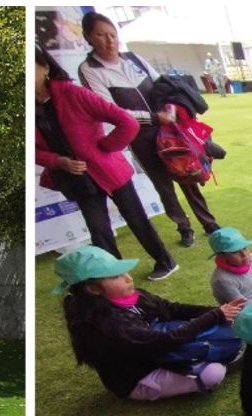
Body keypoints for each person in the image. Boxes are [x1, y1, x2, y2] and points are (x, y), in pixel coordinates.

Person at [35, 45, 178, 281]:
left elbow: (127, 122)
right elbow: (33, 150)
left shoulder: (72, 93)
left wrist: (104, 149)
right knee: (98, 230)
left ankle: (166, 261)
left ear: (45, 67)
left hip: (108, 170)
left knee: (136, 219)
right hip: (75, 177)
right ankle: (113, 277)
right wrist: (58, 161)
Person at [79, 12, 222, 248]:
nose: (109, 41)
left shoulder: (132, 59)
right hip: (141, 135)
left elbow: (162, 85)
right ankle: (183, 227)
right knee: (163, 184)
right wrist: (154, 118)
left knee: (187, 174)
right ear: (88, 37)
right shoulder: (90, 69)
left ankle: (209, 222)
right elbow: (109, 110)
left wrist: (171, 107)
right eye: (101, 35)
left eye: (112, 35)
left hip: (170, 131)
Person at [57, 246, 245, 401]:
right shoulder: (103, 323)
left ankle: (207, 357)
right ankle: (214, 364)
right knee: (213, 373)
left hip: (160, 351)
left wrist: (218, 311)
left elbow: (172, 309)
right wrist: (214, 316)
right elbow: (163, 340)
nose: (128, 278)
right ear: (92, 288)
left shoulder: (132, 296)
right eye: (116, 276)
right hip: (142, 374)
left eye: (124, 271)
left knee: (225, 326)